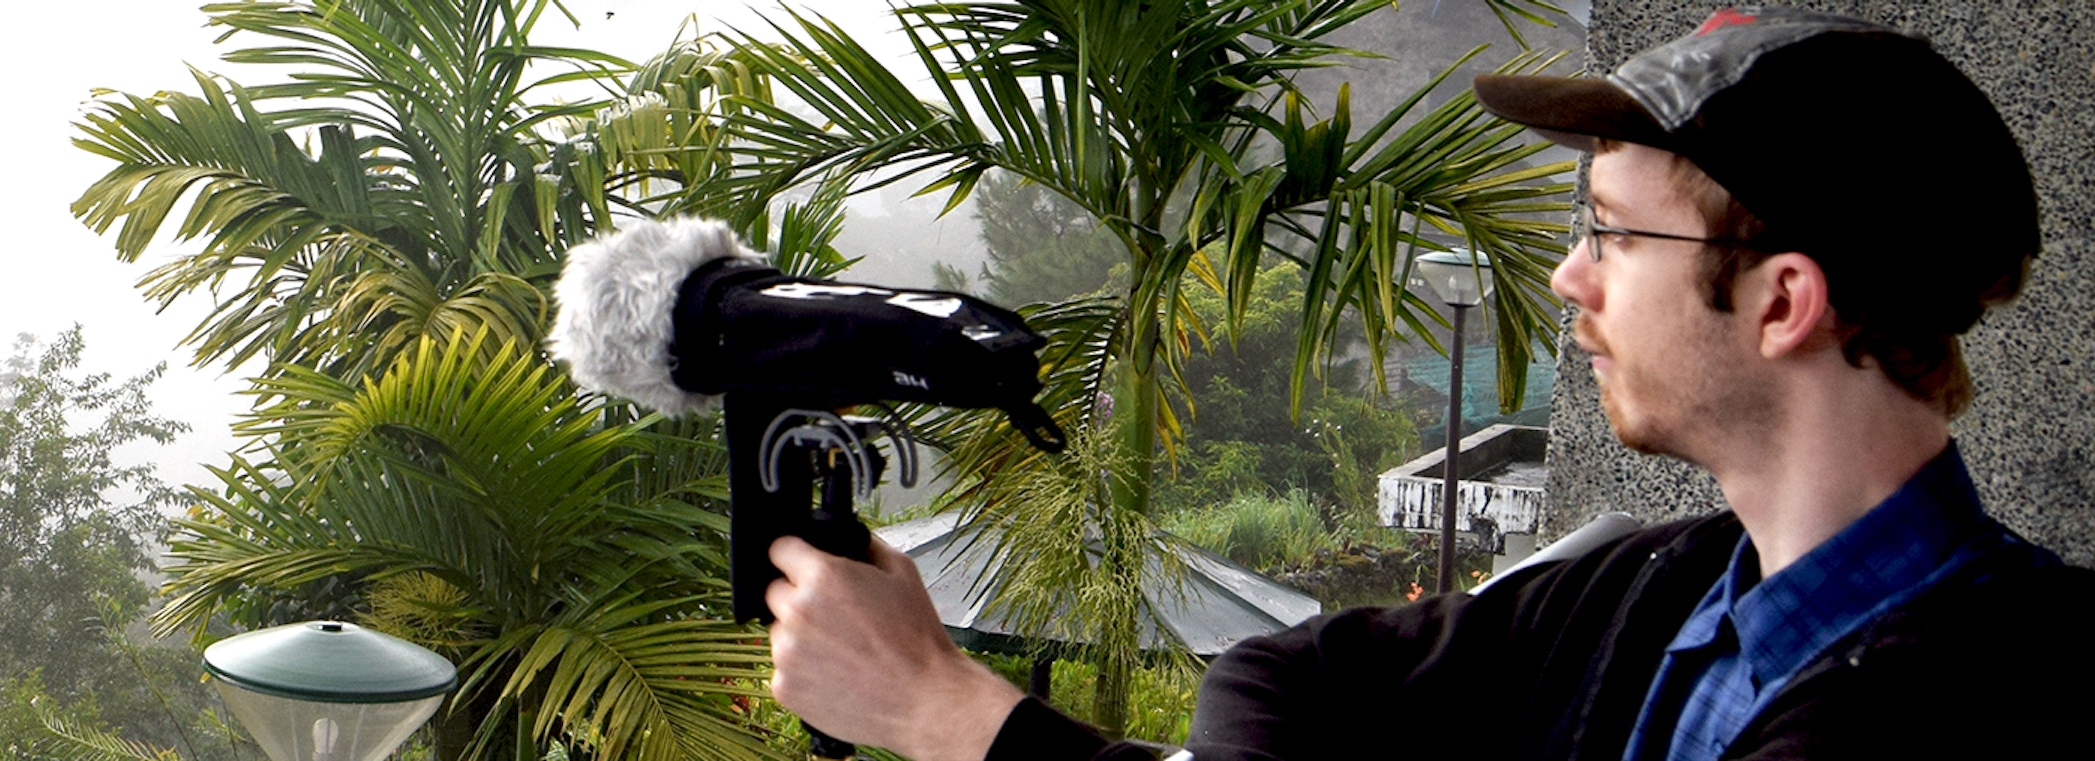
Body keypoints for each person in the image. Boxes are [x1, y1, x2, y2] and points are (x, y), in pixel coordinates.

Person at [756, 7, 2094, 761]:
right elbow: (1282, 673)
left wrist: (949, 708)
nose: (1571, 275)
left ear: (1786, 299)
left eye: (1616, 234)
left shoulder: (1992, 698)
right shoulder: (1663, 582)